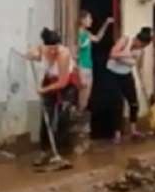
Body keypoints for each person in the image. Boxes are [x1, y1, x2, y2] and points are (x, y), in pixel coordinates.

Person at [29, 28, 80, 165]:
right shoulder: (43, 48)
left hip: (66, 84)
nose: (52, 51)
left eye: (55, 48)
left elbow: (62, 82)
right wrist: (32, 54)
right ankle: (44, 151)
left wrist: (43, 89)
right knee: (46, 116)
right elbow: (35, 54)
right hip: (49, 80)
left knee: (63, 116)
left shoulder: (64, 54)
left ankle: (57, 151)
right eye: (49, 48)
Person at [106, 27, 154, 144]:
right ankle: (117, 134)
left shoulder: (141, 51)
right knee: (118, 102)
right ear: (137, 40)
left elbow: (139, 67)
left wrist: (143, 84)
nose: (140, 48)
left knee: (134, 102)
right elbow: (112, 54)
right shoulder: (125, 40)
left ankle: (134, 130)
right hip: (112, 74)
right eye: (140, 45)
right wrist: (126, 54)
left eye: (143, 47)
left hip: (126, 75)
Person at [77, 11, 113, 113]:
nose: (91, 21)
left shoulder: (86, 33)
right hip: (82, 67)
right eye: (89, 18)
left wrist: (106, 24)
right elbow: (77, 50)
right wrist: (79, 71)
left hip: (88, 66)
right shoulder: (77, 33)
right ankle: (79, 117)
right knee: (82, 95)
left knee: (87, 95)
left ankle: (81, 116)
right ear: (82, 20)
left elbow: (97, 38)